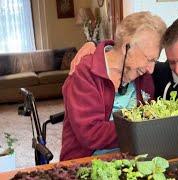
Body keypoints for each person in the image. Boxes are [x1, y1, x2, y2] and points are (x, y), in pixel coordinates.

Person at [60, 11, 167, 161]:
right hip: (86, 163)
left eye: (155, 61)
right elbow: (90, 133)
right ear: (126, 48)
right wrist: (139, 128)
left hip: (132, 159)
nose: (151, 69)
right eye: (149, 59)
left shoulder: (144, 75)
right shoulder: (85, 74)